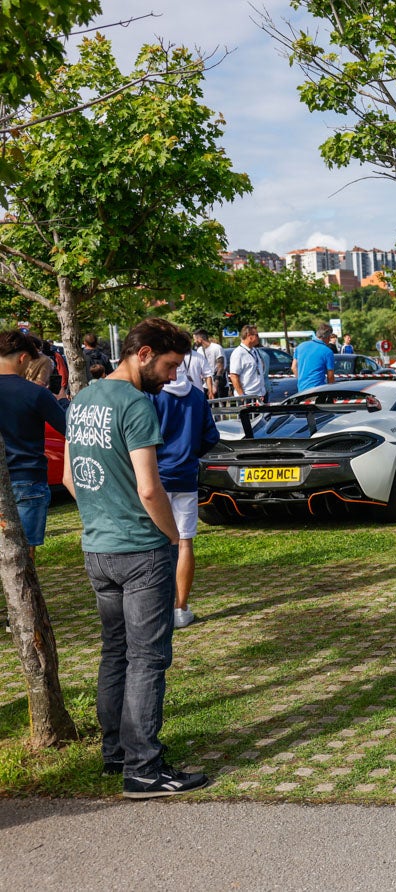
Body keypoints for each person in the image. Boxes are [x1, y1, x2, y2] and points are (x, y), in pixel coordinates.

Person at [63, 317, 210, 798]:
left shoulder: (82, 399)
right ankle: (144, 768)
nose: (172, 377)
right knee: (148, 658)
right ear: (143, 353)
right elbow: (151, 489)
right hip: (140, 549)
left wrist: (102, 514)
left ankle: (116, 752)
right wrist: (170, 540)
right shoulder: (135, 404)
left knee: (115, 651)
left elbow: (68, 477)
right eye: (169, 366)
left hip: (97, 547)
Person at [151, 361, 221, 630]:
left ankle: (158, 607)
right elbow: (210, 436)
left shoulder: (152, 394)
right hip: (186, 476)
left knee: (155, 544)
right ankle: (180, 607)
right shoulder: (196, 394)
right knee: (185, 542)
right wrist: (190, 454)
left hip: (156, 476)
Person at [0, 330, 68, 563]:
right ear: (22, 358)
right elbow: (68, 428)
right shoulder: (36, 393)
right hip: (28, 477)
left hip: (13, 477)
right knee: (25, 554)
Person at [292, 323, 336, 392]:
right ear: (328, 336)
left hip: (301, 391)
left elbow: (293, 367)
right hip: (318, 391)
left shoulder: (300, 346)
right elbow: (330, 376)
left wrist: (301, 380)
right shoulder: (327, 352)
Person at [227, 324, 266, 400]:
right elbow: (234, 376)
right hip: (248, 396)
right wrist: (242, 396)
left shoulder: (254, 351)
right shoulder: (238, 353)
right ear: (249, 336)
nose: (258, 338)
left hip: (260, 395)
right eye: (257, 335)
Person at [193, 329, 226, 397]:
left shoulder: (216, 348)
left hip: (219, 385)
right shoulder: (199, 350)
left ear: (200, 339)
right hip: (206, 385)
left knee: (220, 407)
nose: (194, 341)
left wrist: (215, 386)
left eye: (195, 339)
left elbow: (220, 368)